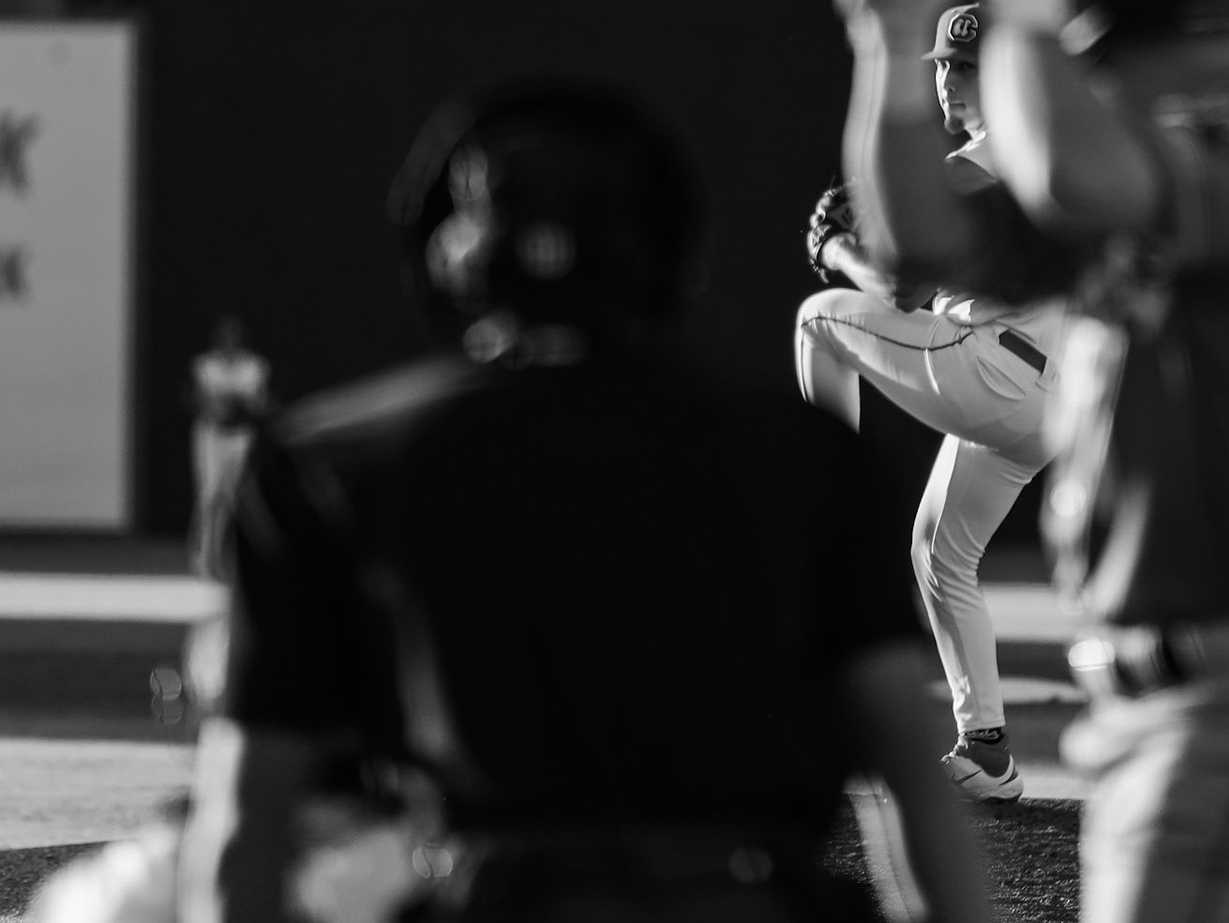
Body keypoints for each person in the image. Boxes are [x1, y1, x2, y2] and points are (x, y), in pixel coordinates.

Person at [172, 77, 995, 923]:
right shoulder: (808, 454)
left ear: (447, 258)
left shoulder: (326, 464)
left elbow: (247, 815)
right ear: (667, 251)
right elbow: (908, 775)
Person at [828, 0, 1229, 923]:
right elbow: (920, 244)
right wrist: (892, 45)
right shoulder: (1135, 163)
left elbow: (1073, 178)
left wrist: (1020, 2)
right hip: (1178, 700)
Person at [796, 1, 1067, 804]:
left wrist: (838, 248)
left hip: (997, 372)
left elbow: (903, 288)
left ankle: (825, 505)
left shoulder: (979, 160)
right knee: (940, 556)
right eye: (944, 65)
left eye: (962, 66)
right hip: (1042, 398)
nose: (946, 79)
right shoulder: (1042, 152)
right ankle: (987, 752)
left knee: (819, 320)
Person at [186, 315, 271, 580]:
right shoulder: (205, 366)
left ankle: (227, 560)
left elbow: (262, 404)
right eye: (225, 339)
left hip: (241, 436)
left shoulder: (255, 367)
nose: (229, 343)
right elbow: (197, 401)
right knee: (210, 494)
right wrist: (217, 404)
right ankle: (201, 557)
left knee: (234, 499)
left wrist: (247, 403)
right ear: (218, 341)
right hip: (212, 436)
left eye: (234, 339)